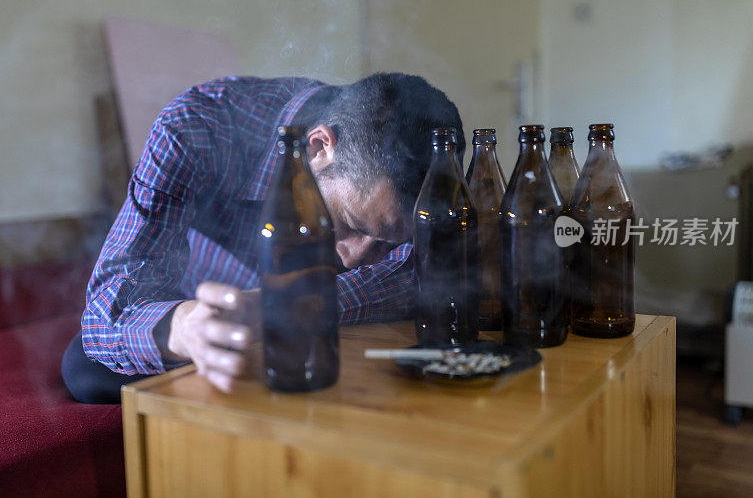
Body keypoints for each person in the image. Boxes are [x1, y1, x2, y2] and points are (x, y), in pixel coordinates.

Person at [61, 73, 465, 403]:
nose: (359, 259)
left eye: (391, 243)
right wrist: (182, 327)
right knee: (85, 368)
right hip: (207, 308)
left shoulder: (415, 170)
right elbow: (106, 311)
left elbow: (428, 276)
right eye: (355, 226)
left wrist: (283, 307)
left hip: (285, 318)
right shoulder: (195, 127)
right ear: (319, 147)